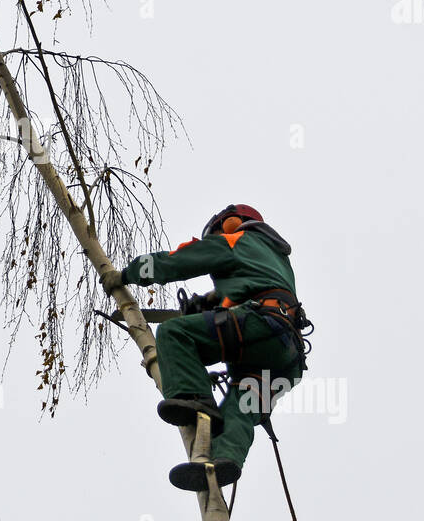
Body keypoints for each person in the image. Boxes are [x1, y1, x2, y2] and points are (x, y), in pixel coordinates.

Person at [103, 205, 309, 492]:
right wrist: (211, 304)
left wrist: (127, 274)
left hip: (261, 326)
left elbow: (180, 261)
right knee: (242, 406)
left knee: (175, 333)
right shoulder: (276, 259)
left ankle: (193, 397)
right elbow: (253, 285)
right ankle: (223, 460)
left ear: (229, 224)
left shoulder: (238, 239)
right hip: (287, 355)